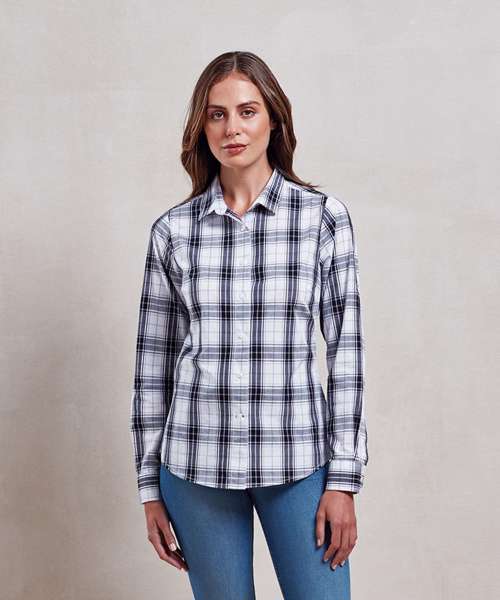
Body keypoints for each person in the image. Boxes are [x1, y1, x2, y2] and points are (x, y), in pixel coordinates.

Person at [129, 50, 369, 600]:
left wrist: (343, 479)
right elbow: (152, 368)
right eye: (216, 114)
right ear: (202, 126)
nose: (231, 128)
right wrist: (149, 488)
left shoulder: (322, 219)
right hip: (195, 465)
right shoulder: (172, 232)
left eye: (247, 111)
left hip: (298, 460)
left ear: (274, 120)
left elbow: (347, 353)